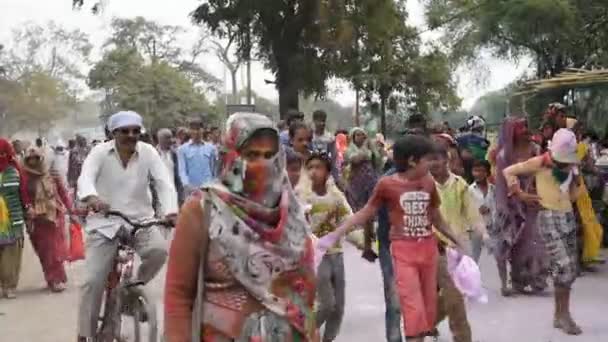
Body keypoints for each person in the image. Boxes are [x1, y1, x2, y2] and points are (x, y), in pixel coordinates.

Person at [164, 113, 317, 341]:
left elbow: (305, 297)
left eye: (269, 155)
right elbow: (178, 295)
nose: (262, 164)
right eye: (251, 155)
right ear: (231, 156)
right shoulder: (203, 209)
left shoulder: (292, 213)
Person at [333, 134, 462, 342]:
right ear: (412, 161)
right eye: (427, 159)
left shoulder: (428, 183)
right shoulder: (386, 184)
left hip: (428, 251)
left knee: (426, 311)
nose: (432, 164)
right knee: (411, 308)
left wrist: (456, 239)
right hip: (402, 251)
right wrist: (338, 232)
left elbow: (436, 218)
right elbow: (366, 213)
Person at [76, 111, 177, 341]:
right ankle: (86, 334)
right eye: (125, 131)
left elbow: (164, 183)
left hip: (141, 221)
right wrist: (92, 198)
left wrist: (170, 211)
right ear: (114, 133)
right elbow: (85, 178)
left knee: (159, 251)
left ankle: (132, 290)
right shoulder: (99, 152)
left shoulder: (149, 152)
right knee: (93, 281)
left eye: (135, 131)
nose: (131, 135)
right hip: (105, 223)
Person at [503, 128, 583, 335]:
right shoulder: (540, 162)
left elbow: (574, 195)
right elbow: (508, 171)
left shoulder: (572, 166)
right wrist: (519, 193)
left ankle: (559, 315)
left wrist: (575, 180)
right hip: (547, 217)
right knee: (564, 267)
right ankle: (564, 316)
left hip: (567, 217)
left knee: (569, 269)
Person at [492, 117, 549, 295]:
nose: (526, 130)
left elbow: (545, 174)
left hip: (535, 202)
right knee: (515, 245)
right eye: (521, 127)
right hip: (512, 206)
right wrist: (504, 208)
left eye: (526, 126)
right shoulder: (503, 156)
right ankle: (517, 280)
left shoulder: (536, 150)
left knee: (537, 241)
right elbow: (501, 184)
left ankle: (537, 278)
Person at [299, 152, 351, 342]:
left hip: (335, 253)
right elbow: (300, 227)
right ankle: (305, 332)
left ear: (328, 172)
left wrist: (365, 242)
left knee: (339, 307)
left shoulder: (336, 195)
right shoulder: (302, 196)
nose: (313, 171)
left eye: (318, 167)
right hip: (315, 256)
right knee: (326, 304)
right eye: (310, 167)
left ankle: (327, 339)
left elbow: (348, 219)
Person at [22, 147, 74, 293]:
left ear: (41, 159)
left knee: (55, 250)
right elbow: (24, 197)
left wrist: (72, 210)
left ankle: (56, 279)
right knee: (44, 252)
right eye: (30, 160)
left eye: (36, 159)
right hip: (36, 220)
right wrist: (28, 209)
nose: (33, 162)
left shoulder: (52, 175)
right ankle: (50, 278)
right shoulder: (24, 178)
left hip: (54, 217)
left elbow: (63, 194)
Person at [430, 148, 487, 262]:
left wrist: (484, 234)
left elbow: (472, 214)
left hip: (457, 243)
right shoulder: (424, 184)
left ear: (446, 160)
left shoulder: (459, 184)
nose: (433, 163)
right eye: (429, 160)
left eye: (436, 159)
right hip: (433, 244)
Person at [0, 138, 32, 299]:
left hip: (14, 218)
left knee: (12, 254)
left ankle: (9, 286)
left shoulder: (15, 171)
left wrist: (28, 211)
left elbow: (24, 194)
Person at [344, 127, 381, 259]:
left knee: (371, 208)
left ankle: (370, 234)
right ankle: (362, 237)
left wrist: (374, 150)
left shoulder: (371, 149)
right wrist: (366, 151)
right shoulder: (349, 150)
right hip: (356, 183)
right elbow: (354, 159)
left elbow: (378, 160)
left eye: (362, 135)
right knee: (359, 208)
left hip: (371, 181)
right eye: (357, 135)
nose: (360, 137)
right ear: (353, 137)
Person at [177, 119, 218, 197]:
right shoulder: (182, 149)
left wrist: (213, 184)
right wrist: (186, 185)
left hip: (208, 189)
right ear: (189, 131)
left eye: (198, 129)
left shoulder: (211, 148)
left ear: (202, 130)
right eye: (193, 129)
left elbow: (213, 169)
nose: (196, 132)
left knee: (208, 208)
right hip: (191, 189)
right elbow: (182, 170)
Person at [469, 160, 496, 259]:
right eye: (476, 171)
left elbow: (497, 206)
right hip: (476, 228)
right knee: (474, 255)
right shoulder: (469, 190)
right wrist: (477, 211)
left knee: (496, 256)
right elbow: (466, 209)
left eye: (481, 171)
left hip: (492, 227)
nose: (478, 174)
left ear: (487, 173)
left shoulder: (493, 189)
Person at [157, 128, 183, 206]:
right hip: (159, 192)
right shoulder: (153, 153)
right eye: (167, 137)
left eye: (171, 137)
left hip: (172, 192)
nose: (171, 140)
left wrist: (180, 194)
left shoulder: (174, 154)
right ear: (160, 139)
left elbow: (177, 175)